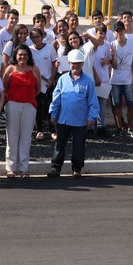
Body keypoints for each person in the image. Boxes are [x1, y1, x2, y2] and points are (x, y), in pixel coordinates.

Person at [47, 49, 99, 179]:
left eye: (78, 63)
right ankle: (55, 168)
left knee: (79, 146)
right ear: (69, 63)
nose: (75, 66)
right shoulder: (62, 79)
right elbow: (56, 98)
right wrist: (53, 114)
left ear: (82, 63)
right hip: (63, 119)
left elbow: (93, 101)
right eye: (73, 63)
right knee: (59, 145)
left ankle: (77, 169)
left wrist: (91, 118)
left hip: (80, 121)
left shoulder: (88, 81)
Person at [2, 45, 41, 178]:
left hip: (29, 106)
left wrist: (28, 98)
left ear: (29, 55)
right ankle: (11, 168)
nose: (22, 57)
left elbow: (38, 88)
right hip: (12, 105)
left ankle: (24, 168)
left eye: (25, 54)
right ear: (15, 56)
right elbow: (5, 87)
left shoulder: (34, 69)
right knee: (12, 137)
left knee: (25, 138)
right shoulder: (10, 69)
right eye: (20, 54)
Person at [110, 21, 133, 138]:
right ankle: (119, 127)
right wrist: (113, 55)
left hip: (128, 80)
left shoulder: (132, 44)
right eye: (117, 30)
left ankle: (130, 127)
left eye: (121, 30)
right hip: (115, 80)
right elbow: (114, 66)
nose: (119, 32)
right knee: (117, 105)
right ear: (114, 32)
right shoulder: (112, 44)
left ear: (124, 31)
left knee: (131, 104)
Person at [29, 28, 58, 141]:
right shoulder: (30, 50)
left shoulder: (50, 48)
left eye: (37, 37)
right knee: (38, 107)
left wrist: (52, 78)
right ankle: (39, 130)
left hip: (48, 83)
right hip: (35, 83)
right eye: (33, 37)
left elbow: (55, 63)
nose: (36, 39)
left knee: (49, 107)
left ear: (42, 36)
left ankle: (53, 131)